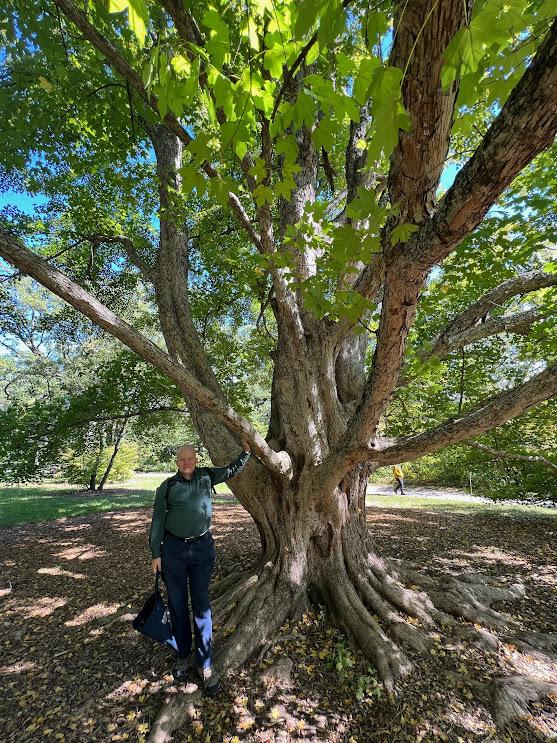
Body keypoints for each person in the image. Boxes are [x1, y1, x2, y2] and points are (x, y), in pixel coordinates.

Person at [149, 439, 251, 695]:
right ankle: (183, 654)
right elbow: (158, 522)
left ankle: (205, 664)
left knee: (202, 604)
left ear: (196, 460)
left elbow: (230, 470)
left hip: (202, 549)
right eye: (182, 460)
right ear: (176, 462)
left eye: (191, 459)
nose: (187, 464)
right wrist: (155, 553)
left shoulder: (206, 476)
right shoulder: (167, 487)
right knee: (177, 604)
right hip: (173, 551)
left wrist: (246, 453)